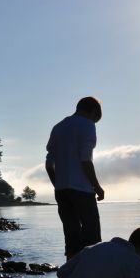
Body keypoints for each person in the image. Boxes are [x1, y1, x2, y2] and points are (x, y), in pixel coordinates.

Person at [45, 96, 106, 260]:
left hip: (62, 191)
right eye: (96, 118)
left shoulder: (58, 127)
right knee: (92, 239)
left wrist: (57, 184)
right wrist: (97, 186)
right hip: (82, 190)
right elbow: (85, 159)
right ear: (94, 111)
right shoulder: (87, 125)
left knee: (71, 237)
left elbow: (49, 164)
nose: (94, 121)